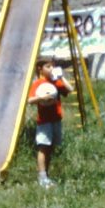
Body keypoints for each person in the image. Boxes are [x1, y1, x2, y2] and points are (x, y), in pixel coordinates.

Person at [27, 56, 73, 188]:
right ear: (40, 69)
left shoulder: (55, 82)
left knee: (51, 148)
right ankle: (42, 177)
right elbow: (29, 100)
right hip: (44, 121)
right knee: (43, 147)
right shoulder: (38, 83)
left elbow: (69, 89)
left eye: (52, 66)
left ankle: (46, 175)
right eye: (48, 67)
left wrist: (61, 77)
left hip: (56, 119)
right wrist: (42, 97)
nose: (51, 69)